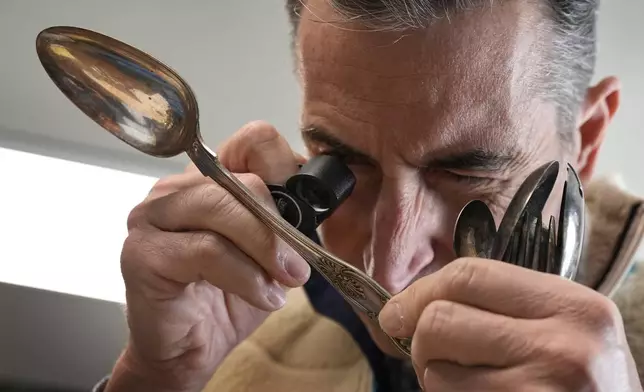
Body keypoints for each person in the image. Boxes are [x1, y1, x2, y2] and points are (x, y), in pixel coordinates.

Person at [93, 0, 644, 391]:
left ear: (587, 140)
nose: (390, 268)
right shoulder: (239, 336)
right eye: (347, 163)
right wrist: (156, 376)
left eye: (467, 174)